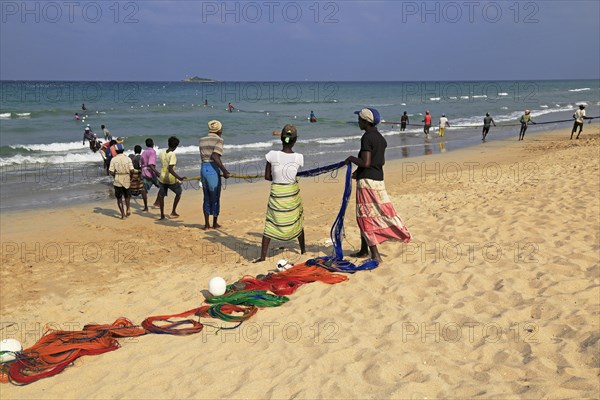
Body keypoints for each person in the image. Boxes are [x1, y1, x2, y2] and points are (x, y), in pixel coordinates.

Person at [345, 108, 411, 263]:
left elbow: (366, 162)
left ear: (365, 121)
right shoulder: (380, 138)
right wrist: (358, 172)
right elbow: (379, 162)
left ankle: (375, 254)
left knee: (365, 217)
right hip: (377, 180)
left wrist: (351, 158)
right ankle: (363, 250)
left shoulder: (366, 137)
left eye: (360, 120)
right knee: (371, 214)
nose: (358, 122)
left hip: (367, 183)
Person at [255, 124, 305, 262]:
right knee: (297, 219)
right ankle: (303, 250)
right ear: (295, 140)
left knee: (271, 222)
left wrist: (277, 177)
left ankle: (263, 256)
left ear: (281, 139)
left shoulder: (272, 155)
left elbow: (267, 177)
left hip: (277, 194)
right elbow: (292, 175)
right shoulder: (299, 157)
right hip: (291, 195)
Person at [199, 120, 230, 229]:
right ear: (219, 130)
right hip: (213, 169)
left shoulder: (201, 140)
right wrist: (225, 171)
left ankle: (206, 224)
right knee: (215, 196)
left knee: (206, 196)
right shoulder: (219, 140)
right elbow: (215, 156)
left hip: (203, 168)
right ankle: (214, 223)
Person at [158, 136, 186, 220]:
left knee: (161, 196)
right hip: (170, 179)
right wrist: (179, 178)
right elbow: (170, 169)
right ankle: (173, 211)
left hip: (162, 177)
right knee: (179, 192)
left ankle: (162, 215)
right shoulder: (172, 154)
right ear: (176, 146)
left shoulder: (162, 152)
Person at [109, 143, 134, 219]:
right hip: (126, 177)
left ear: (116, 151)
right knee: (127, 196)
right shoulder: (128, 158)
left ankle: (123, 215)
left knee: (119, 198)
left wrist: (115, 176)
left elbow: (111, 171)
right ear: (123, 150)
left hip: (118, 179)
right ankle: (128, 208)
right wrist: (131, 177)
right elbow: (132, 170)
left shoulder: (113, 159)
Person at [140, 138, 160, 208]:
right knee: (162, 187)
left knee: (144, 190)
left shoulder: (143, 152)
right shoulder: (152, 152)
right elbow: (151, 164)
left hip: (144, 172)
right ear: (152, 144)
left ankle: (145, 207)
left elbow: (141, 164)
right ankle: (157, 202)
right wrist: (157, 172)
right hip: (151, 172)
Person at [129, 145, 148, 211]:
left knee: (129, 190)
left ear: (134, 150)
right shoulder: (141, 158)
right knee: (143, 191)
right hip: (140, 176)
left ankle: (128, 207)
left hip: (133, 176)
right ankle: (146, 206)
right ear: (140, 151)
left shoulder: (132, 158)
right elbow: (142, 167)